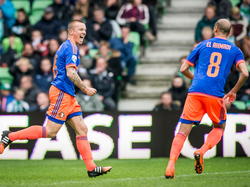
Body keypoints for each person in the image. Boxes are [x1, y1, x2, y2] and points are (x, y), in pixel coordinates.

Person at [0, 20, 112, 177]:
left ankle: (91, 168)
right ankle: (9, 136)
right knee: (50, 132)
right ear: (71, 31)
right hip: (62, 93)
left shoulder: (66, 47)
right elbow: (70, 73)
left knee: (82, 129)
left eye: (85, 29)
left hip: (67, 94)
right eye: (80, 29)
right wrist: (85, 88)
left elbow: (60, 71)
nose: (84, 32)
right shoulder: (71, 47)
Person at [165, 19, 249, 179]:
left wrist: (196, 79)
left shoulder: (202, 45)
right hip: (215, 95)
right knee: (219, 127)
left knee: (183, 131)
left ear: (215, 29)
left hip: (195, 92)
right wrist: (233, 91)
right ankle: (201, 151)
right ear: (229, 32)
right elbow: (245, 73)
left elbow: (183, 68)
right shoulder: (235, 50)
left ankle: (170, 165)